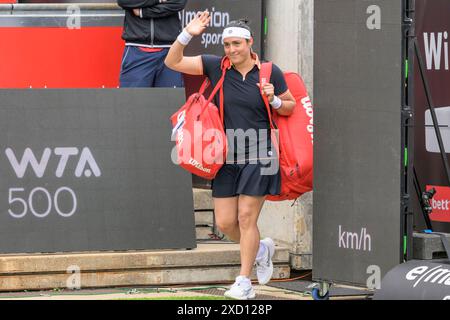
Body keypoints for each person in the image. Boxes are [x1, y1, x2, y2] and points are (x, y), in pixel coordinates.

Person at [165, 12, 296, 299]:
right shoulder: (216, 67)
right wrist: (188, 33)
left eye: (237, 43)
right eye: (227, 45)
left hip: (260, 153)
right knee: (225, 223)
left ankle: (244, 282)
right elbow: (172, 61)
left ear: (250, 44)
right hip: (225, 156)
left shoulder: (269, 71)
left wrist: (274, 98)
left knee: (247, 217)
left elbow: (289, 106)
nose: (231, 50)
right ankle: (261, 249)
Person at [117, 0, 187, 88]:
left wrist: (143, 12)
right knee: (132, 99)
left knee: (170, 100)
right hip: (137, 51)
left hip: (169, 51)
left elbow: (179, 3)